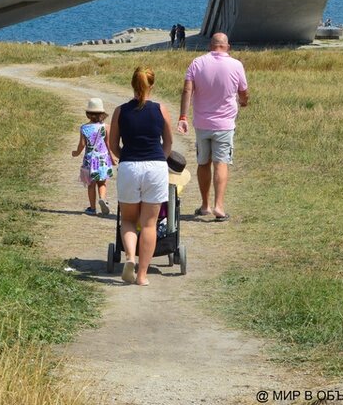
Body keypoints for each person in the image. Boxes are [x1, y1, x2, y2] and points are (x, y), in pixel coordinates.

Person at [106, 67, 173, 287]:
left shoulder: (120, 111)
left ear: (132, 84)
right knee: (149, 224)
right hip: (155, 166)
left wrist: (123, 156)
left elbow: (113, 144)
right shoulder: (161, 110)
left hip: (129, 166)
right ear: (151, 85)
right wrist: (160, 158)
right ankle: (142, 275)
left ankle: (129, 258)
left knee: (127, 220)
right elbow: (169, 143)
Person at [177, 32, 248, 222]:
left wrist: (183, 116)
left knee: (203, 163)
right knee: (221, 162)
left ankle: (205, 205)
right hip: (225, 124)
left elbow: (187, 90)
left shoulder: (197, 63)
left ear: (211, 45)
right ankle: (219, 205)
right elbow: (243, 92)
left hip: (202, 123)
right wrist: (244, 101)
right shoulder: (236, 65)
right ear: (227, 46)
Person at [72, 98, 113, 216]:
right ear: (102, 114)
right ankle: (103, 199)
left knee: (91, 185)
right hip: (103, 159)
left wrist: (76, 152)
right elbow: (108, 144)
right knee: (102, 183)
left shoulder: (84, 128)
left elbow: (82, 145)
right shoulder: (106, 127)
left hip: (90, 160)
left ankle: (92, 208)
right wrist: (112, 158)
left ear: (88, 114)